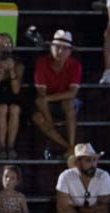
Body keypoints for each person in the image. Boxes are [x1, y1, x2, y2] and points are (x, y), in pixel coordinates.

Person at [33, 30, 81, 158]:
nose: (60, 51)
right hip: (48, 102)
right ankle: (69, 147)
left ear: (70, 51)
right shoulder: (42, 63)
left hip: (63, 100)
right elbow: (41, 97)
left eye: (65, 49)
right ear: (51, 48)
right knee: (38, 118)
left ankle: (71, 143)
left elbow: (72, 93)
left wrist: (48, 98)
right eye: (57, 47)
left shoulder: (75, 65)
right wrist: (49, 121)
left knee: (68, 103)